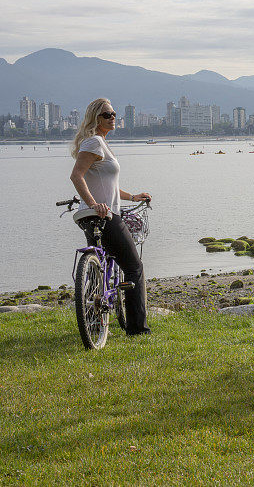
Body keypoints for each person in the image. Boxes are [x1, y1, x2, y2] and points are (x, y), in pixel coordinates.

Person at [69, 98, 152, 336]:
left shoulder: (99, 143)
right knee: (134, 267)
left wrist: (133, 196)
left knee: (97, 267)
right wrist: (96, 204)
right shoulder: (94, 142)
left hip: (94, 215)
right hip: (103, 215)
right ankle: (138, 329)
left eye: (114, 113)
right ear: (96, 119)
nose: (113, 117)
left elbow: (109, 186)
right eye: (107, 114)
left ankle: (94, 321)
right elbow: (76, 176)